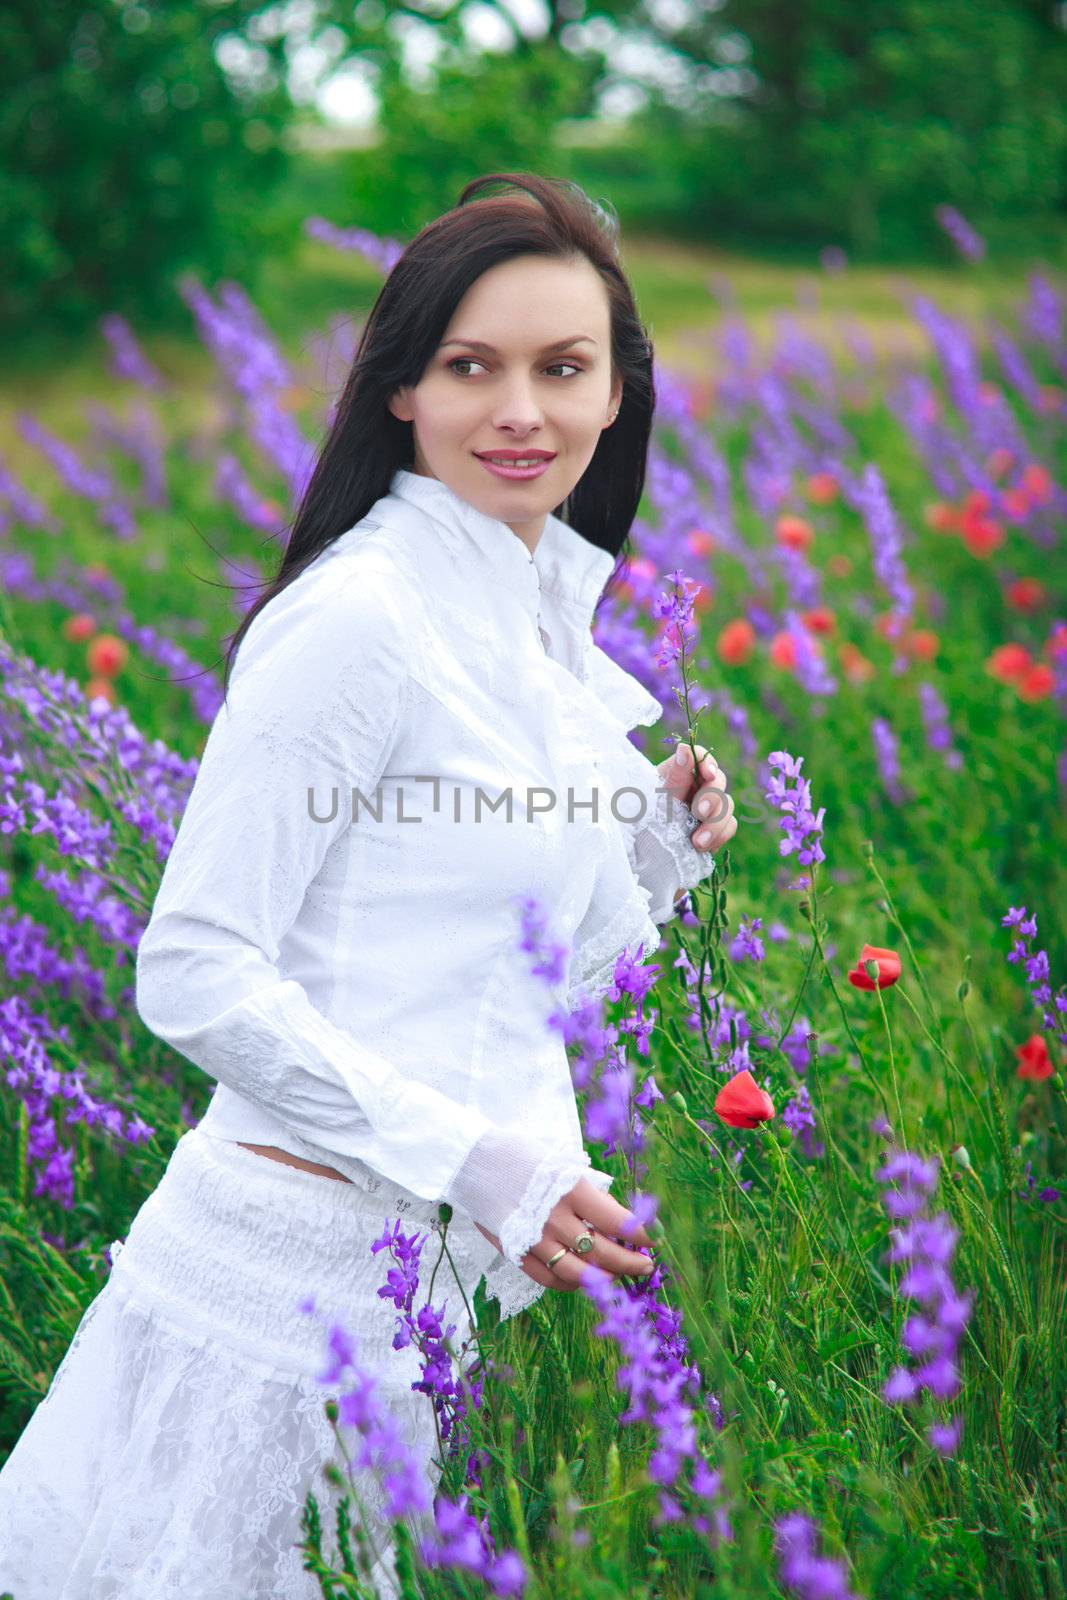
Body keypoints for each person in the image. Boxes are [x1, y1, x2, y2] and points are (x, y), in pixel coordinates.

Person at [0, 171, 735, 1599]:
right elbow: (194, 969)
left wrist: (643, 843)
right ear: (402, 389)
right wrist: (482, 1165)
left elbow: (487, 978)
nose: (520, 410)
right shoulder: (363, 620)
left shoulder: (522, 623)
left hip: (430, 1315)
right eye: (473, 367)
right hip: (281, 1307)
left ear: (614, 396)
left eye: (561, 368)